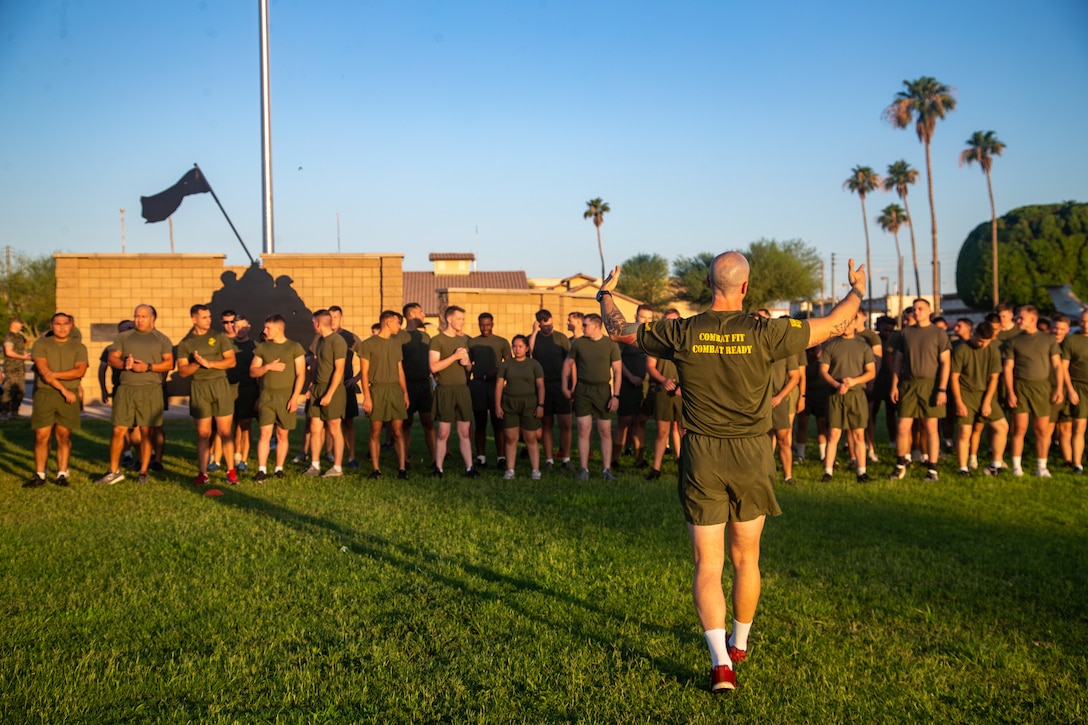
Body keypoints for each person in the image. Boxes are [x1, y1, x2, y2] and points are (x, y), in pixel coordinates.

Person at [598, 251, 866, 693]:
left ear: (707, 282)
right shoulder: (768, 331)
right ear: (746, 287)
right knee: (747, 559)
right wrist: (856, 288)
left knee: (708, 564)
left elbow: (618, 330)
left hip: (702, 454)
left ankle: (721, 664)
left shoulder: (681, 330)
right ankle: (738, 642)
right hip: (752, 455)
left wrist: (606, 293)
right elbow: (836, 324)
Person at [96, 304, 174, 484]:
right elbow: (112, 358)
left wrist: (147, 367)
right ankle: (114, 471)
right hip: (125, 390)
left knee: (146, 432)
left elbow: (169, 363)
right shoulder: (124, 337)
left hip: (150, 390)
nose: (139, 319)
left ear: (152, 318)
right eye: (136, 316)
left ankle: (143, 471)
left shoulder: (162, 339)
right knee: (118, 430)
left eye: (143, 316)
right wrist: (125, 364)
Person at [889, 298, 951, 482]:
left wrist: (941, 389)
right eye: (915, 309)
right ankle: (901, 464)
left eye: (921, 308)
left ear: (930, 311)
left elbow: (946, 362)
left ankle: (932, 469)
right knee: (902, 427)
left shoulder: (939, 333)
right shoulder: (906, 333)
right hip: (908, 384)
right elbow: (898, 361)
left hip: (931, 385)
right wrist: (894, 385)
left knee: (930, 428)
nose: (917, 312)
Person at [177, 304, 238, 486]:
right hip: (199, 389)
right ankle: (203, 473)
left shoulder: (218, 336)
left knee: (225, 431)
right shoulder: (185, 343)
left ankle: (231, 472)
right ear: (194, 319)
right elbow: (182, 371)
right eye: (204, 317)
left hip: (220, 386)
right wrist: (197, 363)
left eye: (209, 317)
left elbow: (231, 361)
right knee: (203, 434)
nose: (208, 320)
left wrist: (210, 363)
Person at [26, 313, 88, 487]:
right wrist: (62, 388)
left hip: (70, 394)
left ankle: (62, 473)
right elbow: (44, 371)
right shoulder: (41, 344)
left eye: (65, 323)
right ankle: (40, 474)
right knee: (41, 436)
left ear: (71, 326)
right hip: (46, 394)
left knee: (63, 436)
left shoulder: (79, 347)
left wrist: (56, 375)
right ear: (51, 325)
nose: (61, 327)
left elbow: (79, 371)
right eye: (57, 323)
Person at [1003, 305, 1063, 477]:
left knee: (1042, 430)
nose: (1017, 320)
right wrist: (1011, 392)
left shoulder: (1048, 340)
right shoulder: (1013, 341)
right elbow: (1008, 368)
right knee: (1019, 429)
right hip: (1020, 387)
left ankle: (1041, 467)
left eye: (1021, 318)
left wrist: (1059, 388)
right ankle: (1016, 467)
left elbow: (1058, 366)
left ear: (1033, 319)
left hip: (1042, 388)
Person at [562, 313, 621, 481]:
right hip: (583, 389)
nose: (582, 328)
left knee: (604, 431)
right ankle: (583, 469)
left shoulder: (610, 344)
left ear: (596, 326)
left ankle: (606, 470)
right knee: (583, 429)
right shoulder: (578, 343)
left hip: (603, 391)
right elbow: (567, 363)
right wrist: (564, 385)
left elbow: (617, 371)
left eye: (585, 325)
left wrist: (615, 396)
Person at [819, 317, 876, 483]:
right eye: (843, 323)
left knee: (859, 434)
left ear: (855, 324)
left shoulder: (864, 346)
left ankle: (861, 472)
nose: (846, 326)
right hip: (836, 395)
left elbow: (871, 372)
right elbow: (823, 371)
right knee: (833, 434)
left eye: (850, 322)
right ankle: (828, 472)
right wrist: (836, 385)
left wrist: (853, 381)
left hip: (857, 395)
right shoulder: (830, 346)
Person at [250, 314, 306, 481]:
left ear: (279, 328)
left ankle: (279, 469)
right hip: (267, 397)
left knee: (282, 434)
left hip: (286, 397)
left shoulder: (294, 347)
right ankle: (262, 470)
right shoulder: (263, 348)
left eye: (268, 328)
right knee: (264, 433)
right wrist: (268, 367)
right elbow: (253, 371)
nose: (264, 330)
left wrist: (295, 397)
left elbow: (301, 374)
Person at [949, 321, 1007, 477]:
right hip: (965, 394)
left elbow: (994, 378)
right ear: (974, 334)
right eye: (980, 340)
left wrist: (987, 401)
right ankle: (963, 468)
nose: (982, 344)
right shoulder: (961, 350)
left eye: (986, 342)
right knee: (964, 432)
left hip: (984, 394)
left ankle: (995, 465)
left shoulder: (993, 351)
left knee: (1002, 426)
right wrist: (959, 403)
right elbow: (954, 378)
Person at [358, 310, 410, 480]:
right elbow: (364, 374)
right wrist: (367, 397)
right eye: (397, 322)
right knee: (375, 432)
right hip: (377, 390)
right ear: (388, 323)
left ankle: (402, 469)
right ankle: (376, 469)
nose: (399, 326)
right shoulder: (367, 345)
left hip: (394, 390)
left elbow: (400, 369)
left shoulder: (396, 343)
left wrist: (405, 393)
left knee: (398, 431)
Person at [429, 305, 477, 478]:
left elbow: (469, 367)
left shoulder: (463, 341)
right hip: (445, 391)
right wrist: (454, 357)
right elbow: (433, 366)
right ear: (449, 319)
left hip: (462, 390)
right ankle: (438, 468)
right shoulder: (437, 340)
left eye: (463, 319)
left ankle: (470, 468)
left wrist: (467, 363)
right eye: (459, 319)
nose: (462, 322)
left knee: (464, 432)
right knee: (443, 432)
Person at [495, 334, 545, 480]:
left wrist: (540, 405)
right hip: (510, 403)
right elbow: (499, 385)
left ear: (527, 348)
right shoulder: (506, 365)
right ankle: (510, 470)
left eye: (520, 346)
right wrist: (497, 405)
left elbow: (540, 386)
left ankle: (535, 470)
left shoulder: (534, 365)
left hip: (529, 404)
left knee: (531, 437)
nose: (517, 349)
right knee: (511, 438)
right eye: (514, 346)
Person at [304, 309, 347, 477]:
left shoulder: (338, 341)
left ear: (319, 323)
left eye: (313, 322)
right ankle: (315, 465)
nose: (312, 325)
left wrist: (329, 394)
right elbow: (316, 365)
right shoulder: (320, 341)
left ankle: (337, 468)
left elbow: (339, 370)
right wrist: (311, 385)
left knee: (334, 428)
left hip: (333, 390)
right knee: (315, 427)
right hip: (317, 388)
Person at [529, 309, 573, 471]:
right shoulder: (534, 338)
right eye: (546, 325)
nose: (549, 328)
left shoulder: (561, 338)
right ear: (539, 324)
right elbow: (531, 352)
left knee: (565, 423)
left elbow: (570, 361)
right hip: (543, 386)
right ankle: (549, 460)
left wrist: (570, 385)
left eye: (551, 324)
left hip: (560, 384)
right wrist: (534, 332)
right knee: (546, 423)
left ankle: (566, 459)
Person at [613, 304, 655, 469]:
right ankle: (614, 460)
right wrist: (630, 376)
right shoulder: (626, 334)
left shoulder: (654, 336)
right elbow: (617, 360)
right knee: (624, 421)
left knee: (641, 421)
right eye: (643, 317)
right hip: (627, 384)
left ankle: (639, 460)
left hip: (646, 386)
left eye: (649, 318)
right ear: (636, 316)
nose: (646, 321)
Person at [468, 312, 511, 470]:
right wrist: (467, 382)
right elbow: (468, 364)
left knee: (497, 423)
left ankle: (501, 457)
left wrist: (496, 371)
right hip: (478, 385)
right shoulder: (472, 342)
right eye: (482, 324)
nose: (484, 328)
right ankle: (481, 457)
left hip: (496, 385)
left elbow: (508, 363)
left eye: (487, 324)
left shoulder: (501, 342)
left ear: (493, 324)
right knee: (480, 423)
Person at [645, 308, 684, 480]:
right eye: (667, 320)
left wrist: (683, 386)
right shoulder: (657, 342)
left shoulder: (685, 342)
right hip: (663, 391)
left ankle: (683, 464)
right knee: (662, 432)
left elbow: (693, 368)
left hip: (682, 392)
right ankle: (656, 469)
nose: (670, 324)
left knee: (682, 430)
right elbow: (650, 366)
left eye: (674, 320)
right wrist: (663, 380)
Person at [765, 312, 801, 484]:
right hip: (758, 401)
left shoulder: (787, 350)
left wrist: (780, 397)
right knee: (762, 441)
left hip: (777, 400)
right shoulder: (757, 347)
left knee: (784, 439)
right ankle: (764, 475)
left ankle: (788, 476)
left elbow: (795, 376)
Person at [399, 302, 436, 466]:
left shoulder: (426, 337)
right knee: (405, 425)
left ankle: (436, 459)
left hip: (425, 386)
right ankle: (404, 459)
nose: (424, 315)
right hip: (407, 386)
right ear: (410, 315)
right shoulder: (400, 337)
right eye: (421, 313)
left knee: (428, 423)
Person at [97, 319, 137, 468]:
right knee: (122, 425)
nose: (127, 331)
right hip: (120, 389)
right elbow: (102, 369)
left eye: (130, 328)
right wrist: (103, 389)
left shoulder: (140, 347)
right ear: (118, 331)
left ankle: (146, 458)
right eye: (124, 328)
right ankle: (127, 455)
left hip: (139, 390)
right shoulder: (111, 349)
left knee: (139, 426)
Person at [329, 305, 363, 469]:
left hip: (346, 384)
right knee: (327, 423)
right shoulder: (322, 337)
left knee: (348, 423)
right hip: (328, 385)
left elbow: (368, 359)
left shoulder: (351, 338)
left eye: (336, 317)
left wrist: (356, 378)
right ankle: (329, 454)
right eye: (330, 317)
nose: (332, 320)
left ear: (341, 318)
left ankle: (351, 457)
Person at [227, 312, 259, 472]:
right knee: (232, 424)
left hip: (248, 389)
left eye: (243, 327)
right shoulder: (227, 345)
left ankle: (244, 460)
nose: (240, 329)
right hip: (229, 390)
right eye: (237, 326)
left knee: (245, 424)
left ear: (249, 327)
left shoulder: (255, 346)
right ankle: (235, 454)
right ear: (232, 327)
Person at [1061, 309, 1088, 475]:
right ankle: (1077, 464)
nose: (1085, 325)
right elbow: (1063, 367)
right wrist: (1070, 390)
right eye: (1083, 321)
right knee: (1079, 427)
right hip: (1079, 387)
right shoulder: (1071, 340)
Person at [3, 317, 32, 420]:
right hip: (12, 367)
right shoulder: (9, 336)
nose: (21, 325)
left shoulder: (19, 337)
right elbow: (8, 352)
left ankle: (15, 412)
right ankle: (4, 412)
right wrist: (22, 357)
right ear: (13, 324)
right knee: (10, 390)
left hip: (20, 367)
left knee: (20, 390)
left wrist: (25, 354)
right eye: (20, 323)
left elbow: (20, 350)